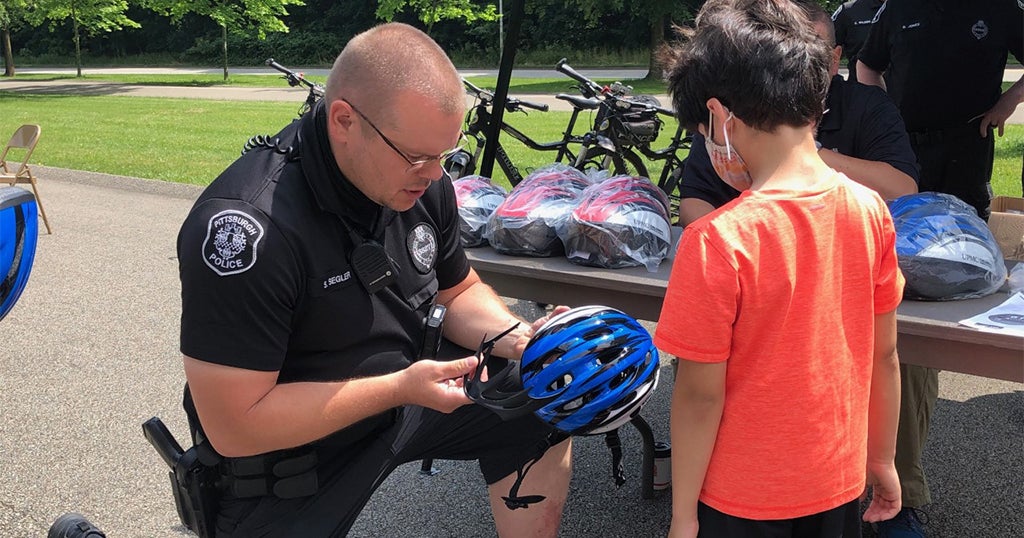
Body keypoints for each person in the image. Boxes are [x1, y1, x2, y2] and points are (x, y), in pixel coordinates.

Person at [175, 23, 571, 537]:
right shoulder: (249, 229)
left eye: (446, 155)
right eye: (418, 156)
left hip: (410, 391)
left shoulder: (423, 180)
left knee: (546, 397)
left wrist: (522, 339)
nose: (435, 174)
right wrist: (399, 388)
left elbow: (458, 292)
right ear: (344, 120)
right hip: (295, 454)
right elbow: (236, 425)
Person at [654, 1, 905, 537]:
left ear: (718, 115)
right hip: (839, 480)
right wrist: (882, 459)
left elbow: (700, 396)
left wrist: (682, 515)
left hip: (742, 497)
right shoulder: (870, 211)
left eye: (702, 129)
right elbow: (884, 355)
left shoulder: (716, 241)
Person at [857, 3, 1023, 535]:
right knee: (895, 313)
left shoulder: (1001, 8)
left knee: (931, 318)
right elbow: (867, 65)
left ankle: (899, 487)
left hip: (964, 154)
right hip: (901, 152)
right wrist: (883, 115)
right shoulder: (897, 7)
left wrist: (1006, 104)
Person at [677, 0, 919, 226]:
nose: (795, 69)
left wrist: (802, 153)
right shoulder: (729, 113)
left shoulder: (866, 105)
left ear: (833, 60)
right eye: (785, 54)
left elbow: (902, 189)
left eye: (809, 57)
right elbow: (695, 199)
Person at [831, 0, 886, 84]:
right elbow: (826, 50)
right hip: (860, 87)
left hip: (902, 88)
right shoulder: (849, 10)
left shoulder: (906, 10)